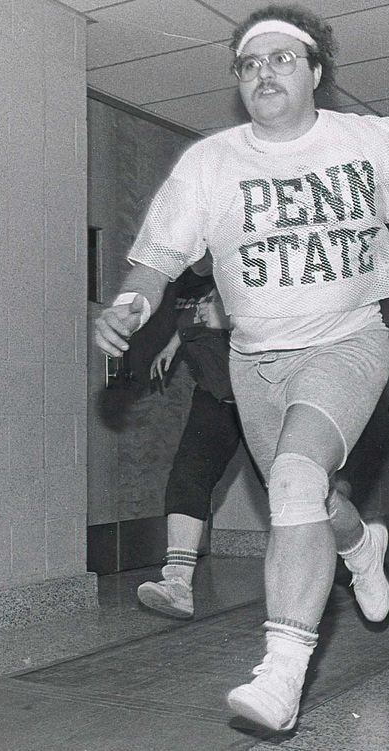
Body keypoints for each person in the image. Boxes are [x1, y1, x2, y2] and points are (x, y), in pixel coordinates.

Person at [93, 4, 389, 732]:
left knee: (296, 481)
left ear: (316, 71)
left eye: (281, 58)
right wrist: (130, 306)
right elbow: (157, 260)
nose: (264, 73)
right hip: (253, 362)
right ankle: (363, 543)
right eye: (249, 63)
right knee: (313, 498)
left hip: (347, 342)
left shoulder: (372, 141)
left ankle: (282, 672)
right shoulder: (211, 163)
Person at [135, 261, 248, 618]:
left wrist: (232, 320)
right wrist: (173, 344)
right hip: (215, 397)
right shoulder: (181, 279)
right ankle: (178, 584)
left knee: (294, 489)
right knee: (188, 475)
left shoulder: (240, 266)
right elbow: (190, 316)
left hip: (261, 395)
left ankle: (352, 547)